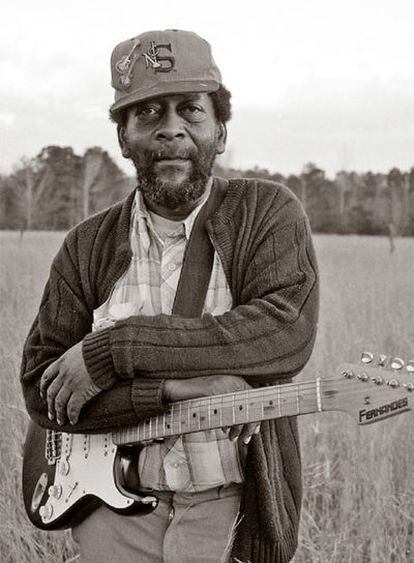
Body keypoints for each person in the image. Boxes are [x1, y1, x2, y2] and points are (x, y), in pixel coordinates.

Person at [20, 29, 319, 563]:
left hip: (231, 507)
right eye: (149, 113)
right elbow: (42, 389)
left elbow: (284, 331)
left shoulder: (268, 212)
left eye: (191, 110)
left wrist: (112, 351)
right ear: (124, 137)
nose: (171, 129)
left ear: (220, 130)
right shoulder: (87, 245)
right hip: (111, 511)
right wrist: (174, 387)